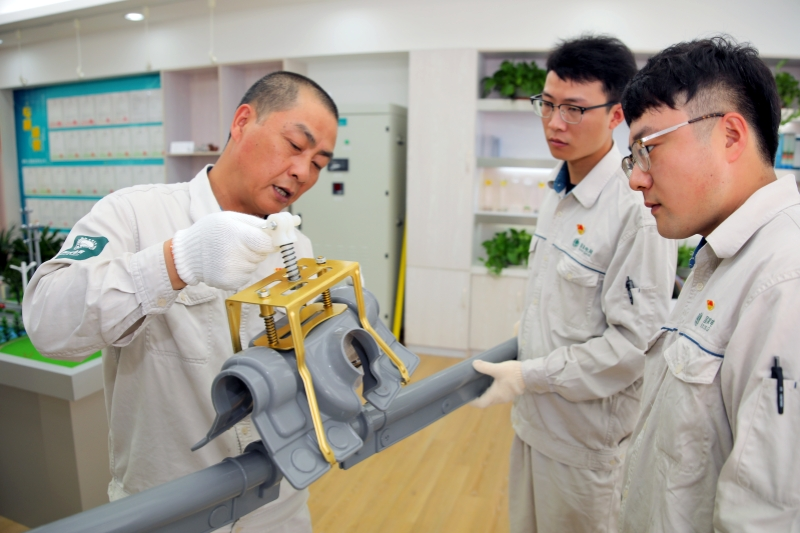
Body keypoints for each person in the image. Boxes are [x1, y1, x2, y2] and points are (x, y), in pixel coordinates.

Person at [22, 71, 338, 532]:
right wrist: (177, 261)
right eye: (295, 145)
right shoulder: (135, 214)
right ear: (242, 122)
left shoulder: (296, 247)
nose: (303, 172)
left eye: (319, 163)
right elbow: (47, 323)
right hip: (172, 513)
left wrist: (338, 349)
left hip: (278, 506)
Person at [471, 35, 677, 532]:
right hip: (533, 425)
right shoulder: (560, 188)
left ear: (616, 115)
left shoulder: (635, 211)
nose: (554, 122)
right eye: (547, 104)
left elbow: (633, 347)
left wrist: (531, 375)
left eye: (574, 109)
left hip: (585, 448)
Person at [617, 36, 799, 532]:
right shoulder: (721, 256)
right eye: (633, 157)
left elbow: (765, 516)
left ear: (731, 136)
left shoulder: (785, 282)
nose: (636, 179)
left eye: (648, 148)